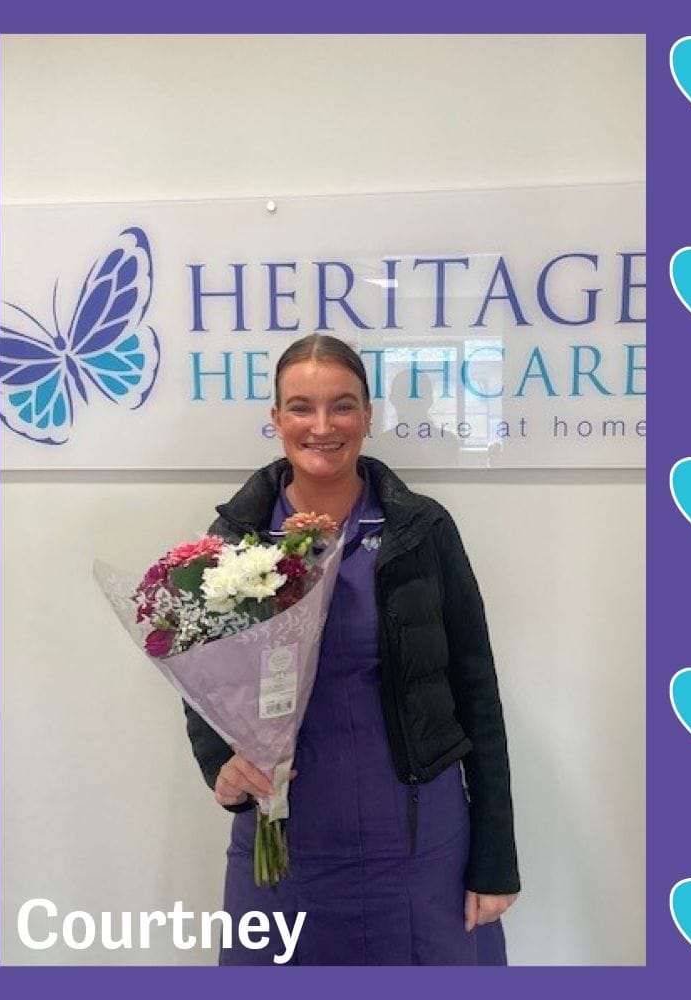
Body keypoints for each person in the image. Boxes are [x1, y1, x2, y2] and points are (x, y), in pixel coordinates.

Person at [184, 334, 519, 965]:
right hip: (285, 837)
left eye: (342, 406)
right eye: (301, 407)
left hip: (419, 839)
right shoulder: (235, 539)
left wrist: (496, 859)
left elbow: (478, 692)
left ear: (367, 416)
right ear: (276, 418)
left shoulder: (421, 530)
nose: (322, 426)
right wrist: (218, 764)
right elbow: (200, 677)